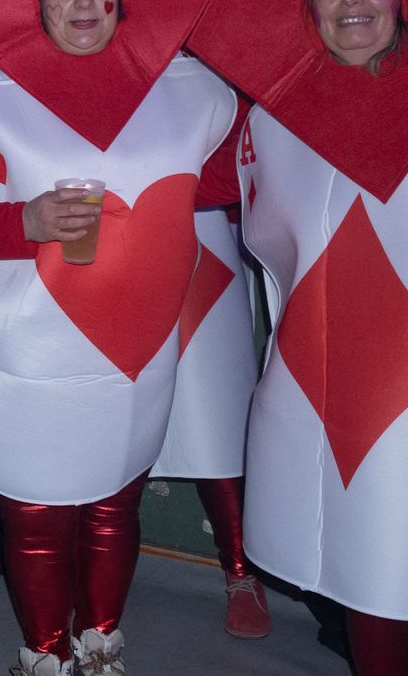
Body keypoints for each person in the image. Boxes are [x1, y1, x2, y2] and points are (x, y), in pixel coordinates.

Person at [0, 0, 242, 676]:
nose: (85, 0)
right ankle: (44, 655)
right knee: (34, 512)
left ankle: (100, 645)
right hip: (30, 344)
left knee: (112, 502)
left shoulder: (184, 87)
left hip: (136, 348)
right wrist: (21, 224)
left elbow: (225, 182)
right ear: (37, 1)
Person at [187, 0, 408, 676]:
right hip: (320, 383)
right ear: (308, 8)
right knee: (365, 576)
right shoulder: (269, 124)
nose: (353, 0)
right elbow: (184, 197)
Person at [150, 205, 269, 640]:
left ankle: (240, 570)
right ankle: (87, 560)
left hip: (196, 218)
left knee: (215, 414)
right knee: (108, 410)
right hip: (110, 225)